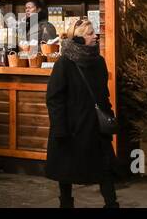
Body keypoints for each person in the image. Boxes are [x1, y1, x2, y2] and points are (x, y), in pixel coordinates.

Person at [45, 17, 118, 207]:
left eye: (94, 32)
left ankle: (111, 204)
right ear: (78, 39)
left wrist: (108, 119)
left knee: (105, 169)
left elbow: (103, 94)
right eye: (90, 33)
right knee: (66, 170)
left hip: (94, 126)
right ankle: (66, 203)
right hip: (72, 127)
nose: (96, 36)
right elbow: (54, 98)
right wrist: (60, 127)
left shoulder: (98, 62)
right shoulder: (64, 63)